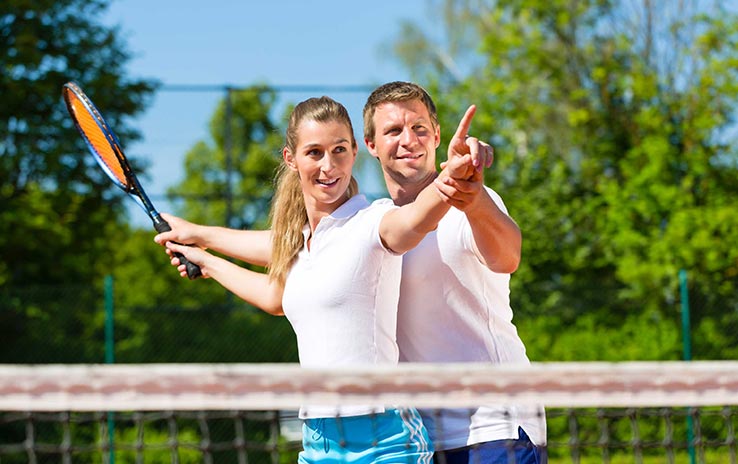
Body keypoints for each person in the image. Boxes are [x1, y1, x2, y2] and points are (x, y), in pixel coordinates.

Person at [156, 95, 479, 463]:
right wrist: (203, 256)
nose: (329, 166)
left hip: (385, 441)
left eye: (339, 150)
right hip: (318, 442)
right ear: (290, 158)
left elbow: (416, 218)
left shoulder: (374, 222)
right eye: (314, 152)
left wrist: (451, 178)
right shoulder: (304, 246)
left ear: (355, 151)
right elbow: (274, 296)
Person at [362, 81, 546, 463]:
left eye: (419, 128)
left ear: (436, 136)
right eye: (393, 130)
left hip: (496, 429)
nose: (408, 140)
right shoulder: (374, 225)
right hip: (417, 441)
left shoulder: (471, 202)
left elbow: (507, 257)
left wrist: (474, 198)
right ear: (371, 144)